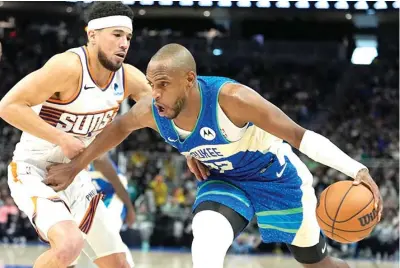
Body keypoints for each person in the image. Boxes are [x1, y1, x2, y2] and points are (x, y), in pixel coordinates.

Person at [44, 43, 383, 268]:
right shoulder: (154, 110)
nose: (154, 93)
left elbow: (299, 136)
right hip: (225, 181)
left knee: (317, 264)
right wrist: (74, 167)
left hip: (276, 179)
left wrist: (358, 170)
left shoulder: (233, 99)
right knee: (206, 241)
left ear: (190, 80)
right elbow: (118, 129)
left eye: (163, 84)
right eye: (151, 84)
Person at [0, 2, 151, 267]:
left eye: (128, 37)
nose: (124, 43)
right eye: (116, 35)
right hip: (34, 171)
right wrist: (61, 138)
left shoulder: (128, 78)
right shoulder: (68, 67)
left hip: (75, 176)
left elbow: (164, 112)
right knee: (69, 246)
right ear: (92, 34)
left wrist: (190, 148)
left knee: (120, 264)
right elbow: (8, 107)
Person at [70, 154, 134, 268]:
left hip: (114, 195)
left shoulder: (99, 159)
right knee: (80, 234)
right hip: (93, 196)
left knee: (110, 232)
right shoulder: (66, 157)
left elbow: (118, 185)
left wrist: (130, 209)